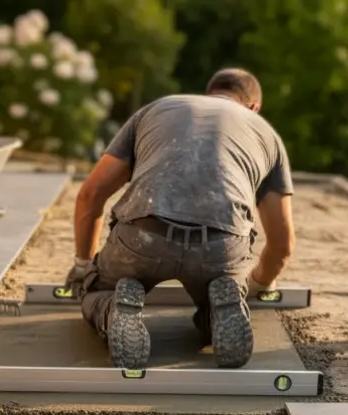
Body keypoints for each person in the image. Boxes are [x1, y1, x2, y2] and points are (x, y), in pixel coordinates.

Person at [65, 68, 295, 369]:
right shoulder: (266, 135)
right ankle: (217, 311)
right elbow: (282, 245)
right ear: (254, 107)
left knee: (97, 288)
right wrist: (255, 286)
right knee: (222, 291)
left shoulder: (159, 109)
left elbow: (90, 195)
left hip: (143, 234)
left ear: (207, 93)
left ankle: (112, 307)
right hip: (219, 246)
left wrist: (83, 268)